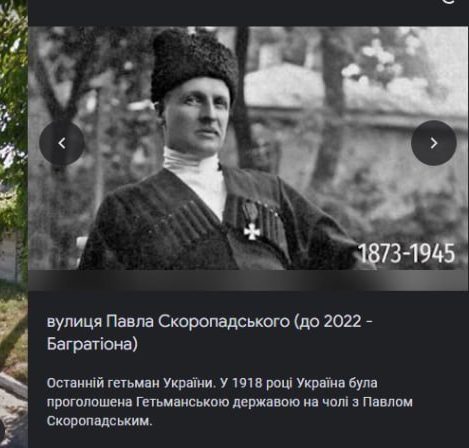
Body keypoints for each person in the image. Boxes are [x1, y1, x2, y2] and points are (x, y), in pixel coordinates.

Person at [78, 29, 374, 270]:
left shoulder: (271, 193)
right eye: (193, 100)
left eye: (220, 103)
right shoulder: (126, 209)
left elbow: (351, 263)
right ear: (161, 111)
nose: (210, 115)